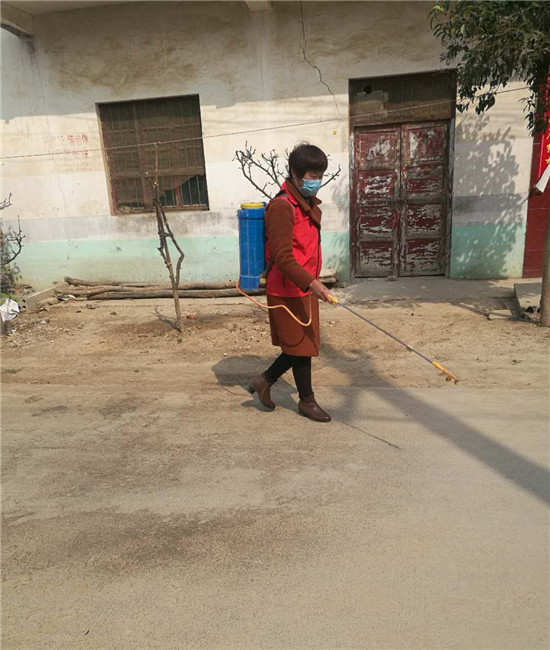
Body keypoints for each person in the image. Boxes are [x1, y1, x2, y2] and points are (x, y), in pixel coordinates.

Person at [247, 143, 333, 422]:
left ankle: (264, 380)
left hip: (303, 285)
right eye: (312, 175)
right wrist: (313, 283)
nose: (317, 181)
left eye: (320, 175)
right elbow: (283, 257)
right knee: (302, 345)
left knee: (301, 344)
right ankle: (307, 402)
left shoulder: (305, 204)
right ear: (295, 174)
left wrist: (311, 282)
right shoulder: (283, 207)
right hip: (287, 288)